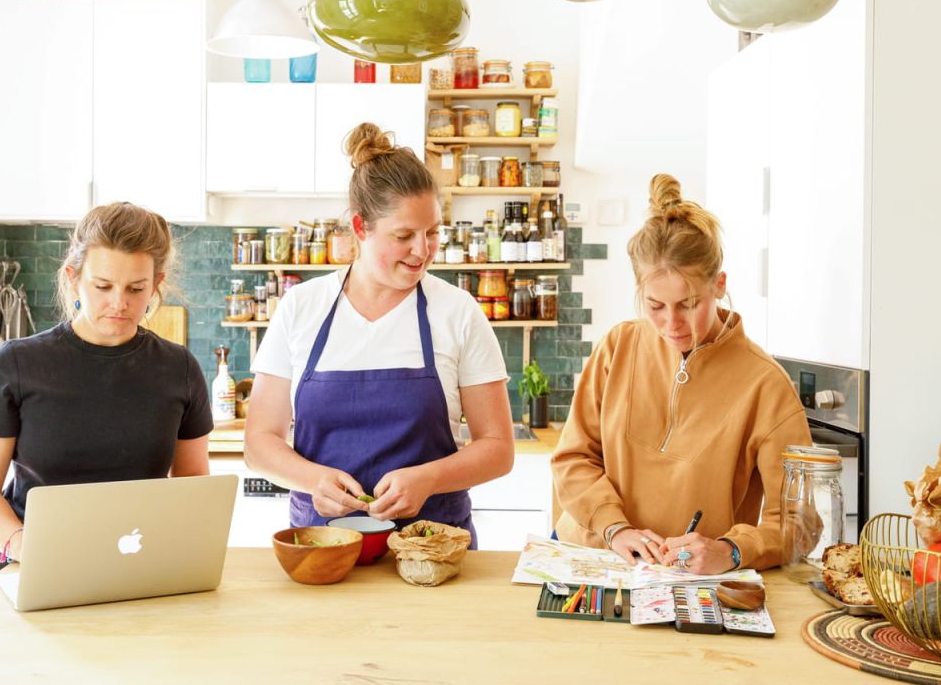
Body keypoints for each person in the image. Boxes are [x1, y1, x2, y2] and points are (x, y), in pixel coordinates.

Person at [244, 123, 514, 546]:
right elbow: (259, 444)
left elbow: (498, 448)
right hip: (320, 549)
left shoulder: (457, 311)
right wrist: (314, 479)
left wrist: (429, 478)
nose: (422, 250)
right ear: (360, 227)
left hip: (434, 550)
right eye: (403, 236)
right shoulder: (301, 308)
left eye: (432, 232)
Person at [551, 174, 811, 573]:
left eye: (689, 304)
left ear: (719, 285)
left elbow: (799, 524)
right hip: (592, 556)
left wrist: (734, 550)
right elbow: (573, 458)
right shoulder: (616, 347)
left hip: (685, 581)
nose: (672, 324)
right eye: (655, 306)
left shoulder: (766, 385)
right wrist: (614, 527)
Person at [0, 202, 213, 580]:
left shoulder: (179, 368)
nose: (119, 303)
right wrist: (23, 544)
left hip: (138, 568)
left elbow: (191, 483)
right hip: (31, 566)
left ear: (156, 284)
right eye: (103, 286)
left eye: (136, 288)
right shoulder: (17, 364)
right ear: (73, 277)